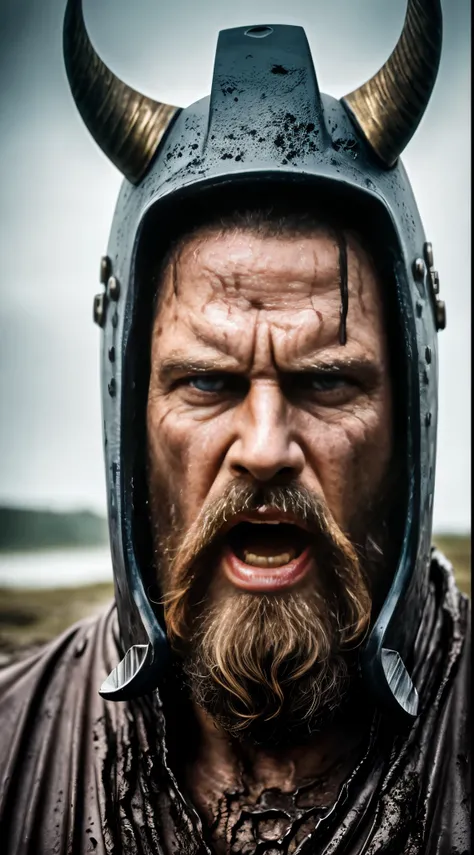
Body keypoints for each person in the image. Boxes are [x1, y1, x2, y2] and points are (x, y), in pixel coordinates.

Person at [0, 0, 469, 853]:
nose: (263, 446)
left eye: (327, 382)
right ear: (131, 415)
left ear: (410, 422)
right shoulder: (12, 746)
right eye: (208, 381)